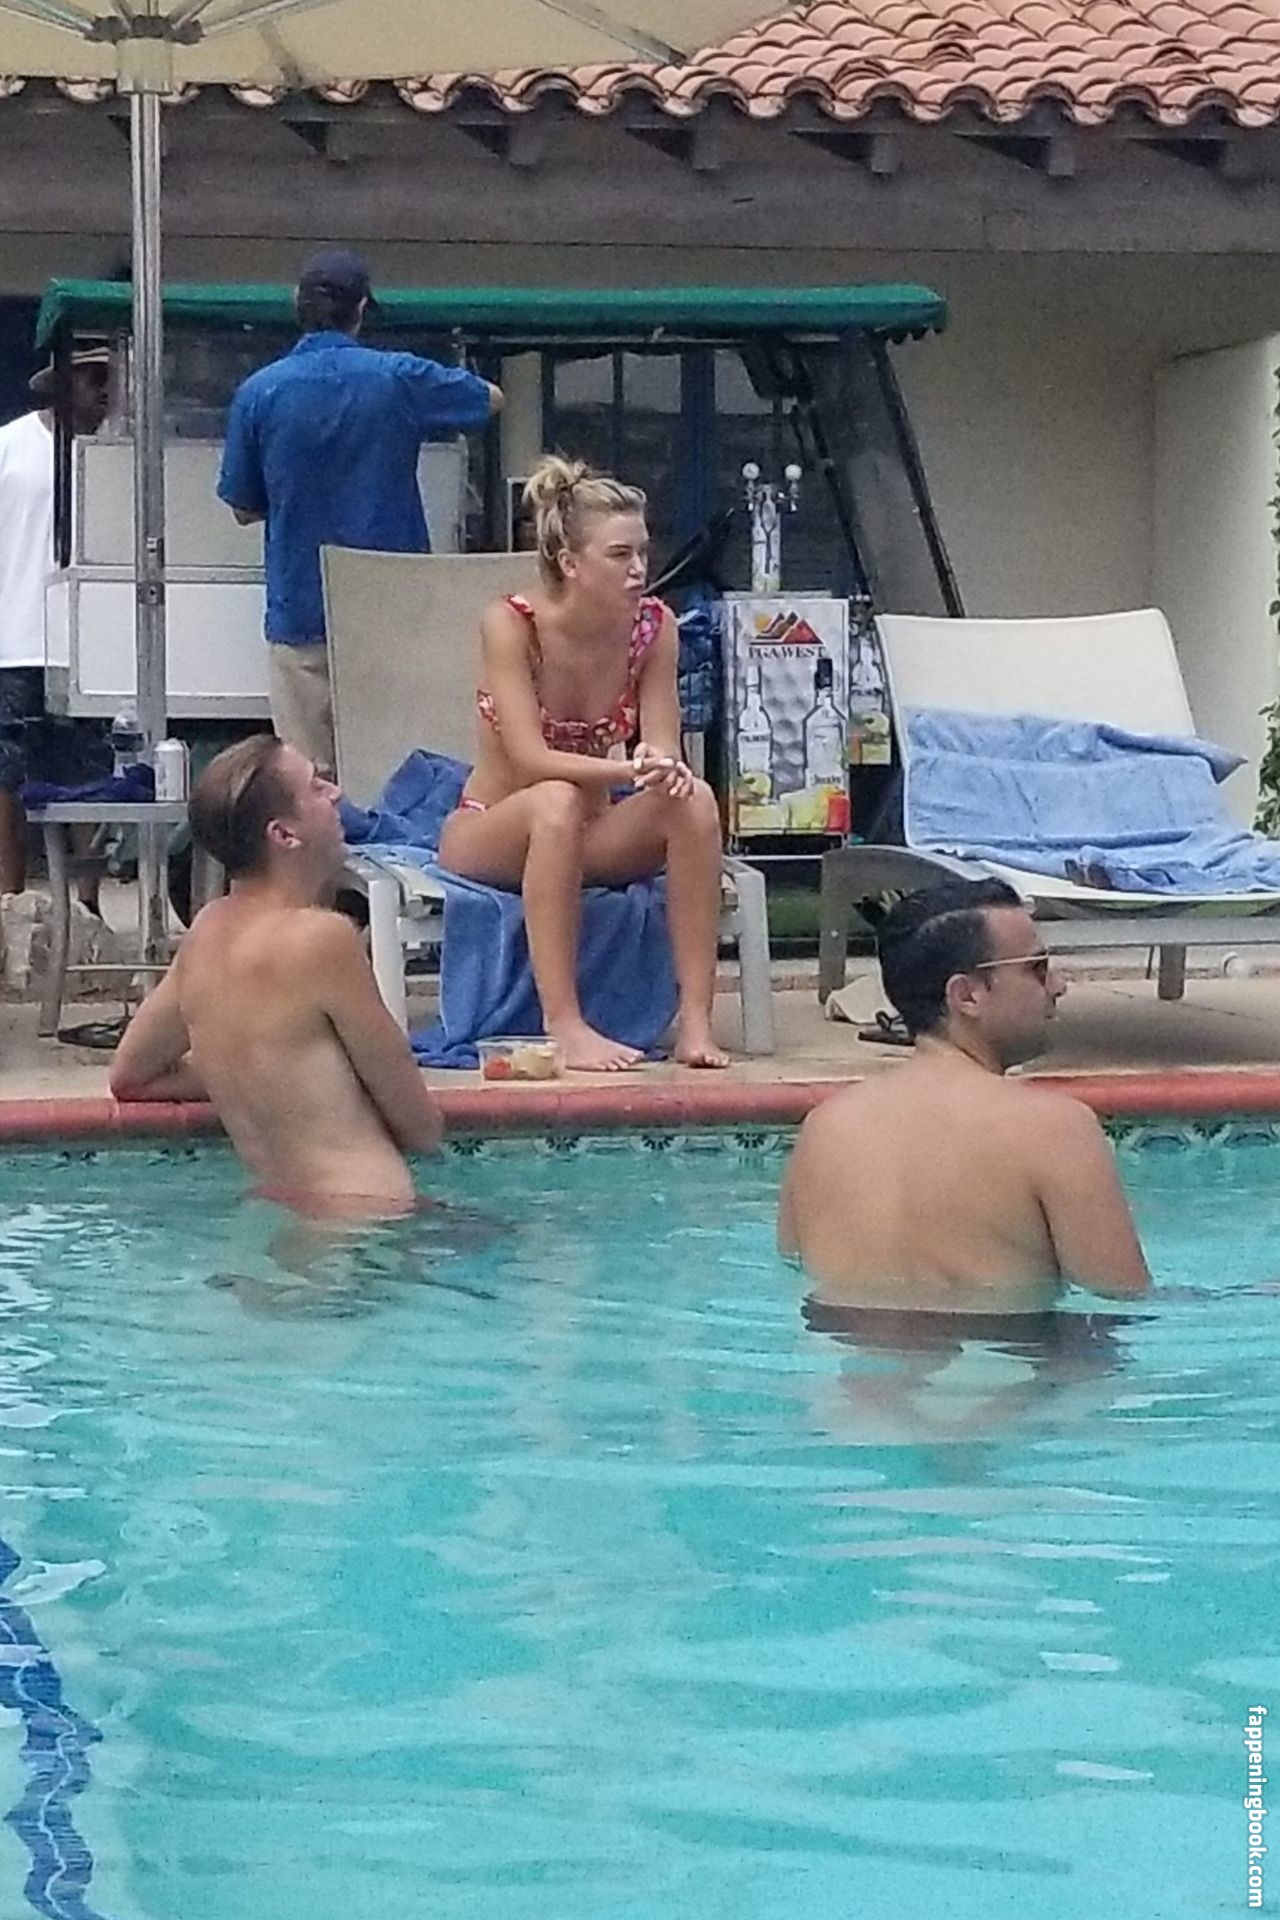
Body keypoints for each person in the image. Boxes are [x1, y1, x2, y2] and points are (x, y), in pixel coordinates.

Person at [437, 455, 729, 1073]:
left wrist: (657, 763)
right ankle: (564, 1023)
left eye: (642, 552)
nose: (639, 569)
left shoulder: (654, 628)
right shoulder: (512, 624)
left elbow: (663, 745)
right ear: (570, 563)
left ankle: (696, 1023)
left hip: (589, 837)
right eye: (620, 555)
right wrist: (626, 774)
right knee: (556, 798)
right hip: (496, 832)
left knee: (693, 799)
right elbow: (529, 758)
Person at [779, 877, 1152, 1313]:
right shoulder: (1055, 1129)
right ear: (966, 995)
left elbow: (794, 1274)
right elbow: (1122, 1304)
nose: (1058, 986)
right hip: (1006, 1354)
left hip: (853, 1356)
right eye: (1037, 968)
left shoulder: (823, 1128)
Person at [109, 734, 443, 1219]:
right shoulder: (323, 939)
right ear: (284, 834)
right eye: (316, 787)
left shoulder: (206, 933)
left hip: (281, 1208)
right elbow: (420, 1128)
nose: (334, 794)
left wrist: (256, 1078)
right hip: (372, 1212)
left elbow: (131, 1077)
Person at [217, 249, 502, 779]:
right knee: (397, 776)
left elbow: (242, 506)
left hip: (301, 610)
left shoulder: (259, 392)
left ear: (296, 305)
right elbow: (491, 399)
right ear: (363, 309)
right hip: (392, 610)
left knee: (307, 782)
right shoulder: (398, 377)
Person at [0, 347, 111, 898]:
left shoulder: (118, 453)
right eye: (93, 378)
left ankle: (87, 904)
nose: (105, 391)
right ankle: (9, 899)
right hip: (16, 636)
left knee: (92, 777)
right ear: (64, 383)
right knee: (7, 777)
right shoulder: (10, 446)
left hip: (94, 643)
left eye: (111, 380)